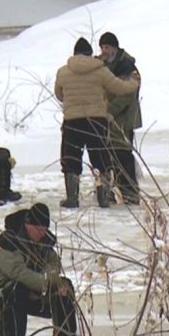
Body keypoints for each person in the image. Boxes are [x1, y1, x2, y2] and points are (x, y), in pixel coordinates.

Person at [0, 203, 80, 336]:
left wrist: (54, 282)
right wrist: (46, 285)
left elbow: (53, 262)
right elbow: (17, 272)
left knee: (65, 285)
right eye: (39, 229)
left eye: (45, 230)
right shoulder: (7, 242)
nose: (42, 234)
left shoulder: (41, 241)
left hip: (27, 290)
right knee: (18, 289)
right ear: (28, 225)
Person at [53, 37, 140, 208]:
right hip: (96, 121)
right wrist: (134, 84)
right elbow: (118, 87)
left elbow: (59, 94)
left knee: (71, 159)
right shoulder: (100, 70)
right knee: (101, 159)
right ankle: (103, 197)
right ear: (90, 53)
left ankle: (72, 198)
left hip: (72, 122)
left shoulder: (63, 71)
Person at [98, 32, 142, 205]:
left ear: (114, 48)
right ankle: (112, 192)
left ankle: (130, 192)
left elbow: (127, 94)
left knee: (123, 155)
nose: (104, 51)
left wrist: (108, 110)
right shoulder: (102, 64)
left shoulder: (126, 65)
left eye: (107, 47)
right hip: (108, 119)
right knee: (108, 156)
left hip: (123, 118)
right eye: (102, 47)